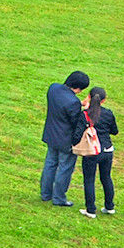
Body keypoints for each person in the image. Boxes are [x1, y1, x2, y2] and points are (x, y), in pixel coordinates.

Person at [40, 70, 91, 207]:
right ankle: (59, 198)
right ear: (79, 88)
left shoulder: (54, 88)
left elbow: (64, 104)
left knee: (50, 164)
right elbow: (76, 121)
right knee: (65, 168)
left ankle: (45, 194)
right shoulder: (73, 102)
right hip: (66, 140)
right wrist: (85, 110)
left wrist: (78, 103)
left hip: (51, 135)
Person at [81, 86, 118, 218]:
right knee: (106, 178)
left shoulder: (86, 114)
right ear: (104, 100)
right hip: (107, 150)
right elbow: (115, 131)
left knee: (89, 179)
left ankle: (90, 209)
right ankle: (109, 206)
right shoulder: (108, 113)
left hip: (91, 150)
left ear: (89, 97)